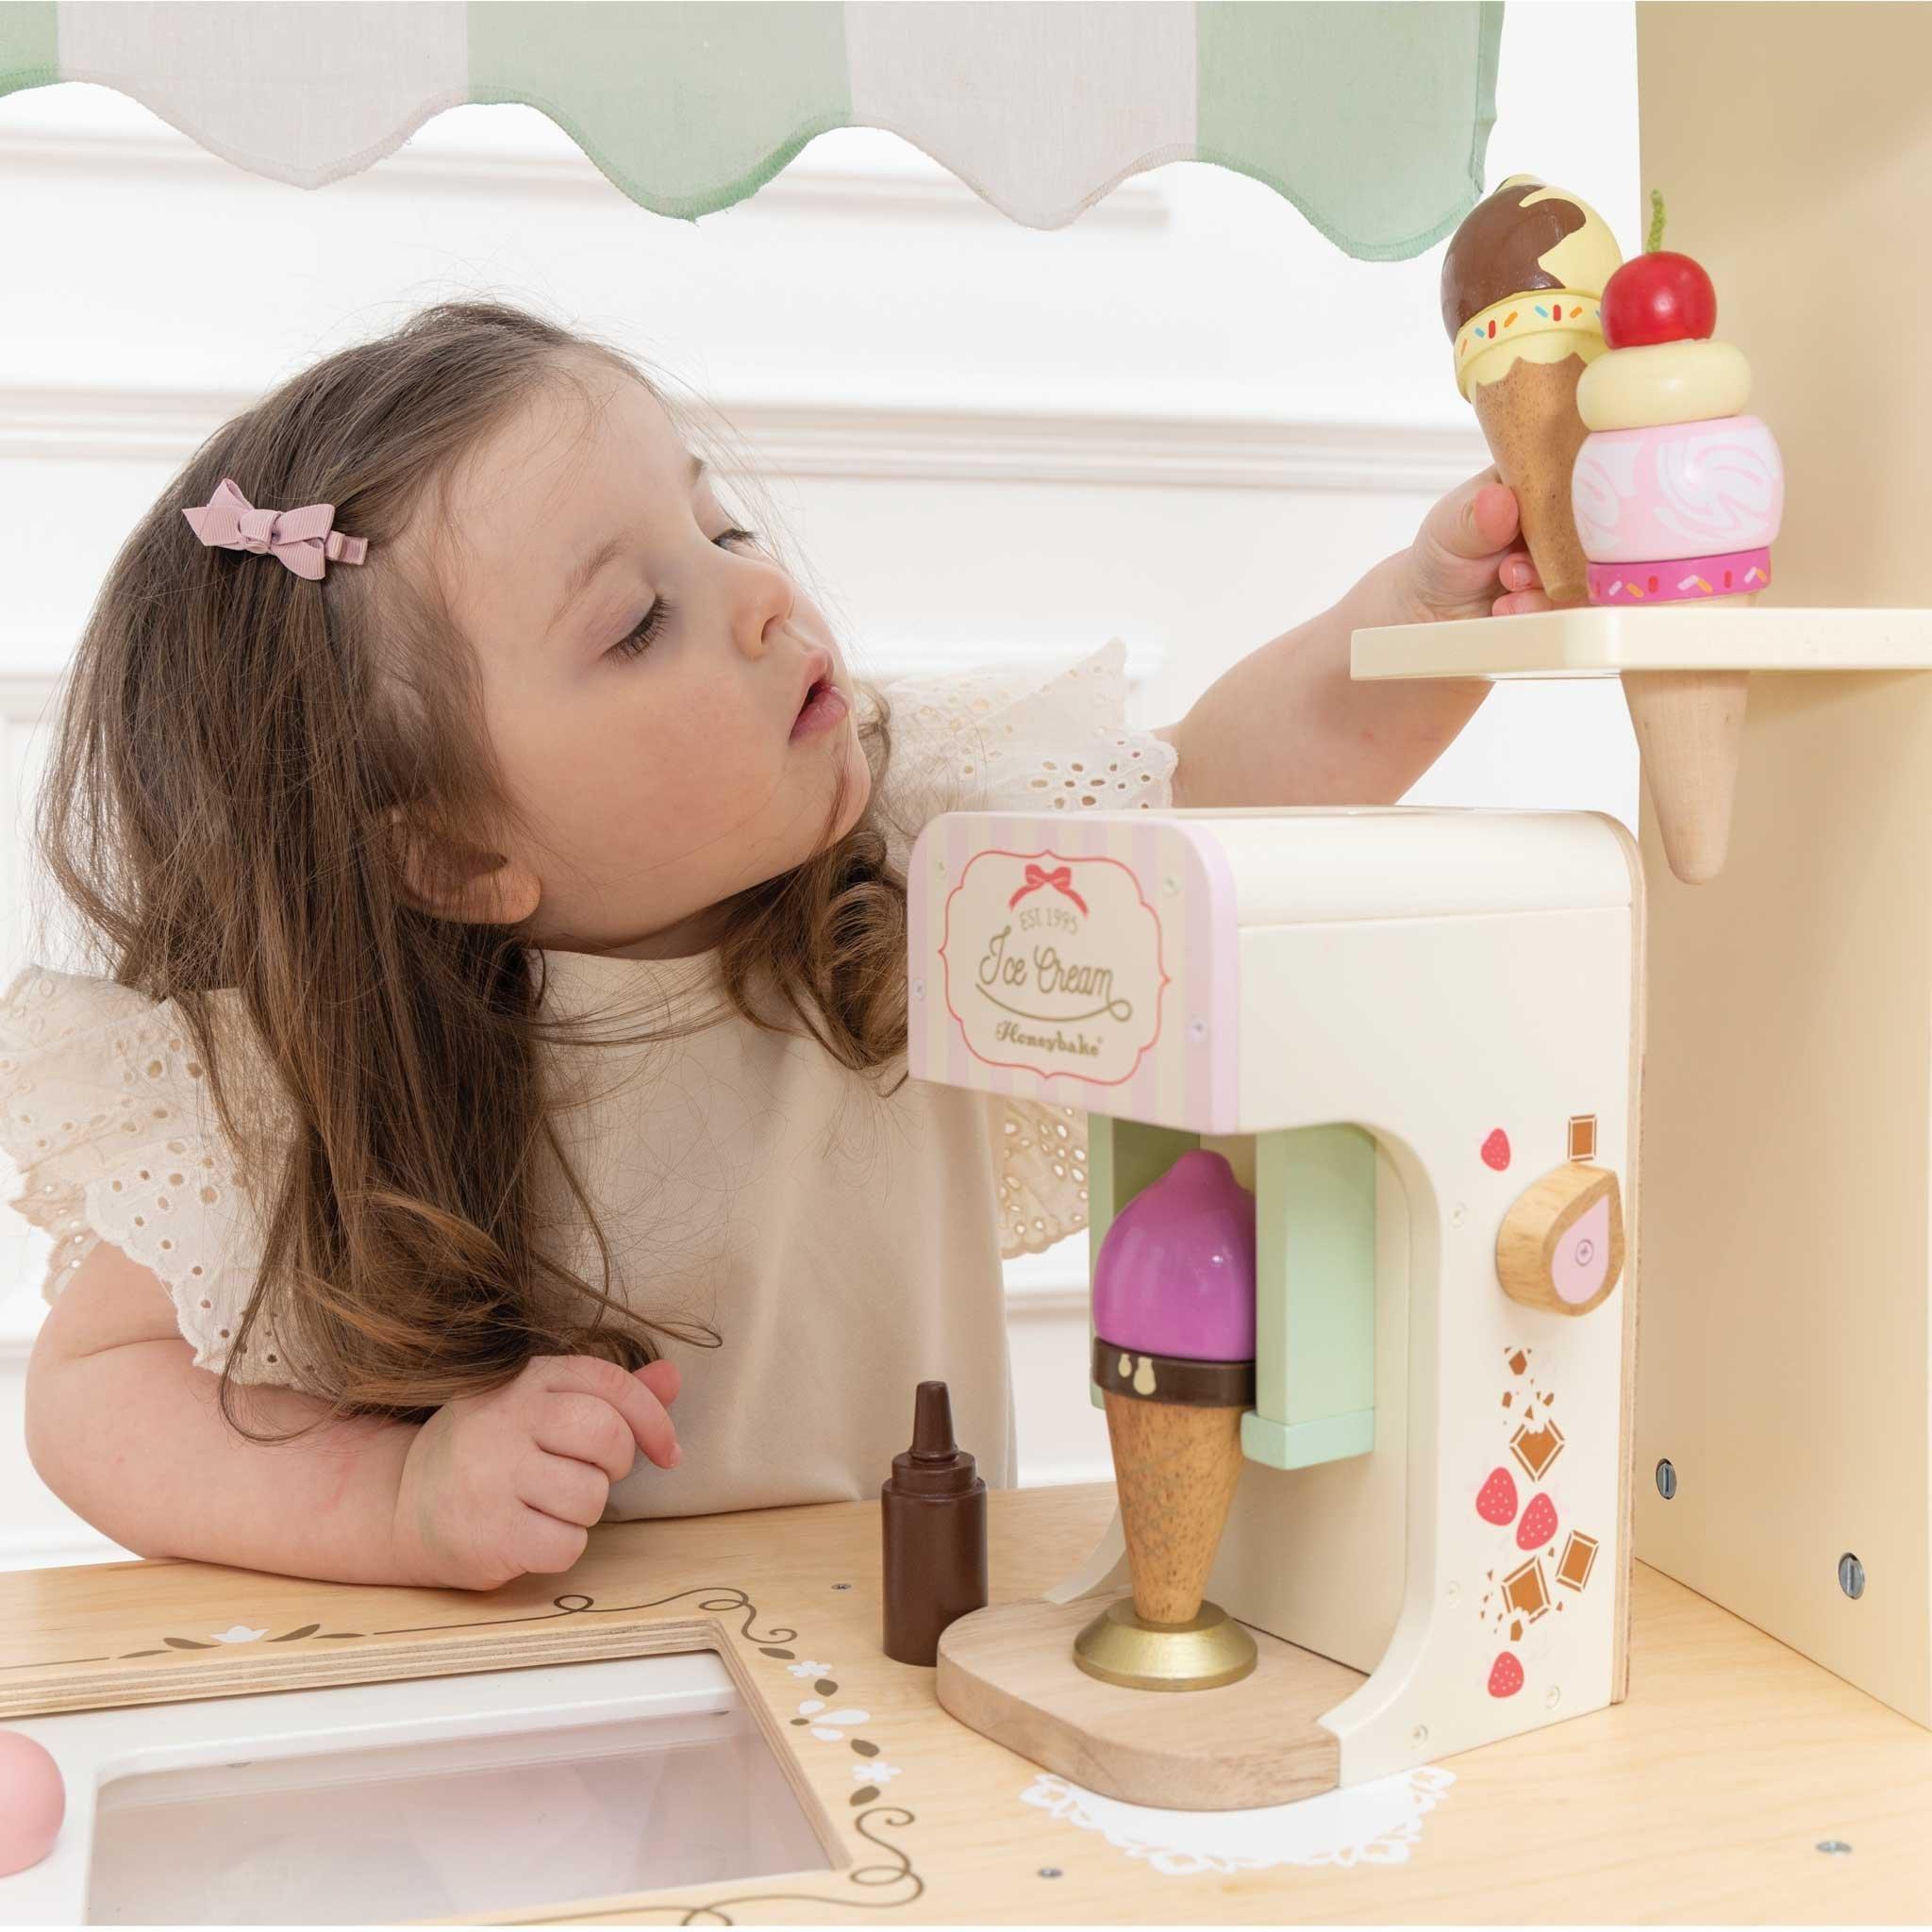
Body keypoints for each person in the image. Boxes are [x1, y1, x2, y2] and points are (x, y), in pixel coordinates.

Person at [0, 300, 1549, 1591]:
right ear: (452, 853)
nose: (758, 594)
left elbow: (1214, 791)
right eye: (635, 624)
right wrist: (398, 1507)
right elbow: (92, 1397)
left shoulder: (939, 893)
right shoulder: (306, 1079)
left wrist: (1430, 607)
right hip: (564, 1720)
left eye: (718, 522)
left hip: (917, 1665)